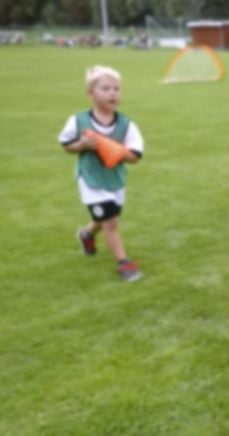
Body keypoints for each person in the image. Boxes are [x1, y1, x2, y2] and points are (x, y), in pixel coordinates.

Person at [58, 65, 144, 282]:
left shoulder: (127, 124)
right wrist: (82, 144)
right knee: (111, 222)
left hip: (115, 180)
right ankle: (124, 264)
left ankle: (87, 234)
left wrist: (116, 151)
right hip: (90, 180)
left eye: (116, 88)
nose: (112, 93)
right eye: (105, 88)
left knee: (107, 216)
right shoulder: (78, 121)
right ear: (91, 94)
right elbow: (67, 145)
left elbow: (135, 157)